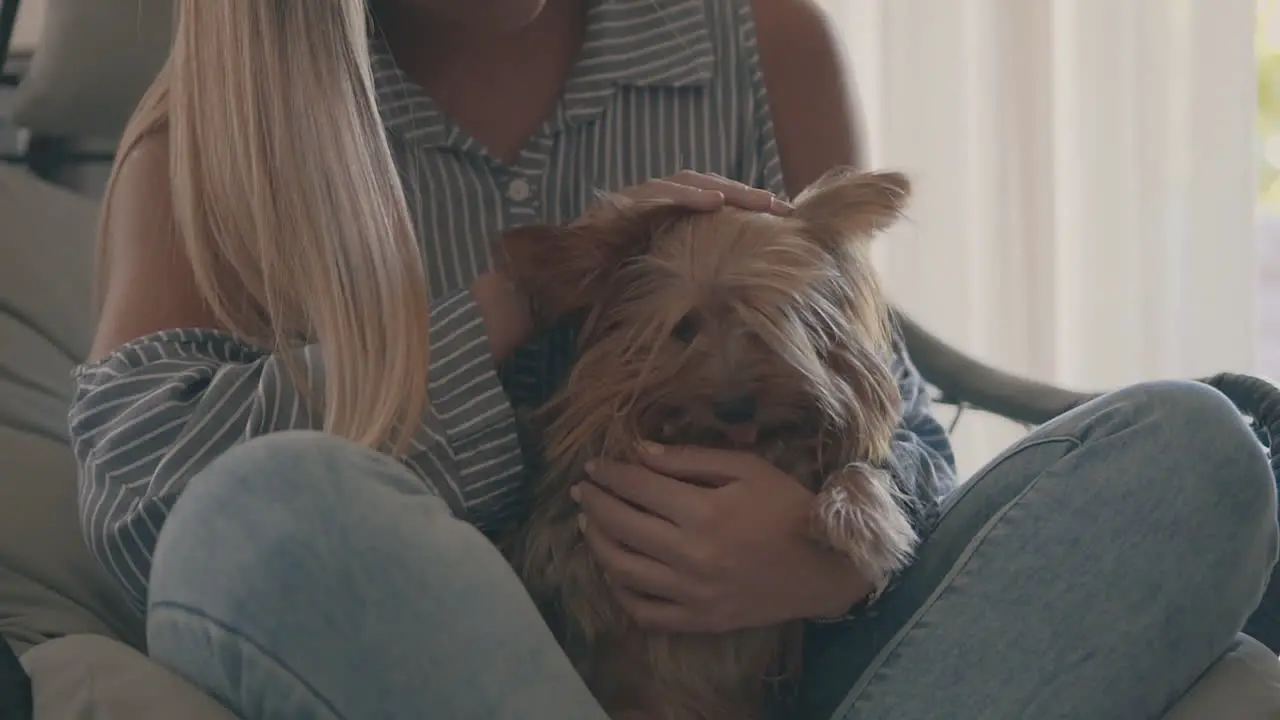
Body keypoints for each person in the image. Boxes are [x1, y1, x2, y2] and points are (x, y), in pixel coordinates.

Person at [69, 0, 1279, 717]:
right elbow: (149, 518)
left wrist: (820, 560)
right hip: (480, 656)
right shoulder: (214, 140)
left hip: (808, 660)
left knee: (1195, 450)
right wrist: (511, 303)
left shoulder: (760, 41)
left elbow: (892, 421)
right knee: (275, 502)